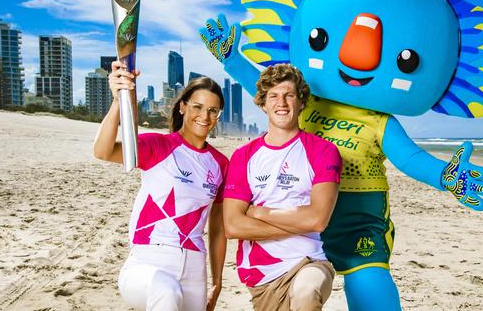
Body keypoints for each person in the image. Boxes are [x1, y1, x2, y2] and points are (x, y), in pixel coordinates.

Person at [93, 61, 228, 311]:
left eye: (213, 110)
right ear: (182, 107)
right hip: (147, 263)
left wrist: (217, 281)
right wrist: (117, 100)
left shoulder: (221, 164)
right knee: (165, 292)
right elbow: (103, 151)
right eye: (198, 107)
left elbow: (218, 228)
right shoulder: (159, 146)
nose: (205, 116)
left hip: (194, 269)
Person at [223, 64, 342, 310]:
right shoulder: (244, 156)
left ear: (301, 102)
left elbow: (318, 220)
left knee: (306, 291)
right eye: (274, 96)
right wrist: (299, 222)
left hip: (309, 261)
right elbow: (233, 225)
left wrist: (258, 212)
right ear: (263, 104)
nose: (282, 102)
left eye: (289, 95)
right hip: (261, 275)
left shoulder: (323, 151)